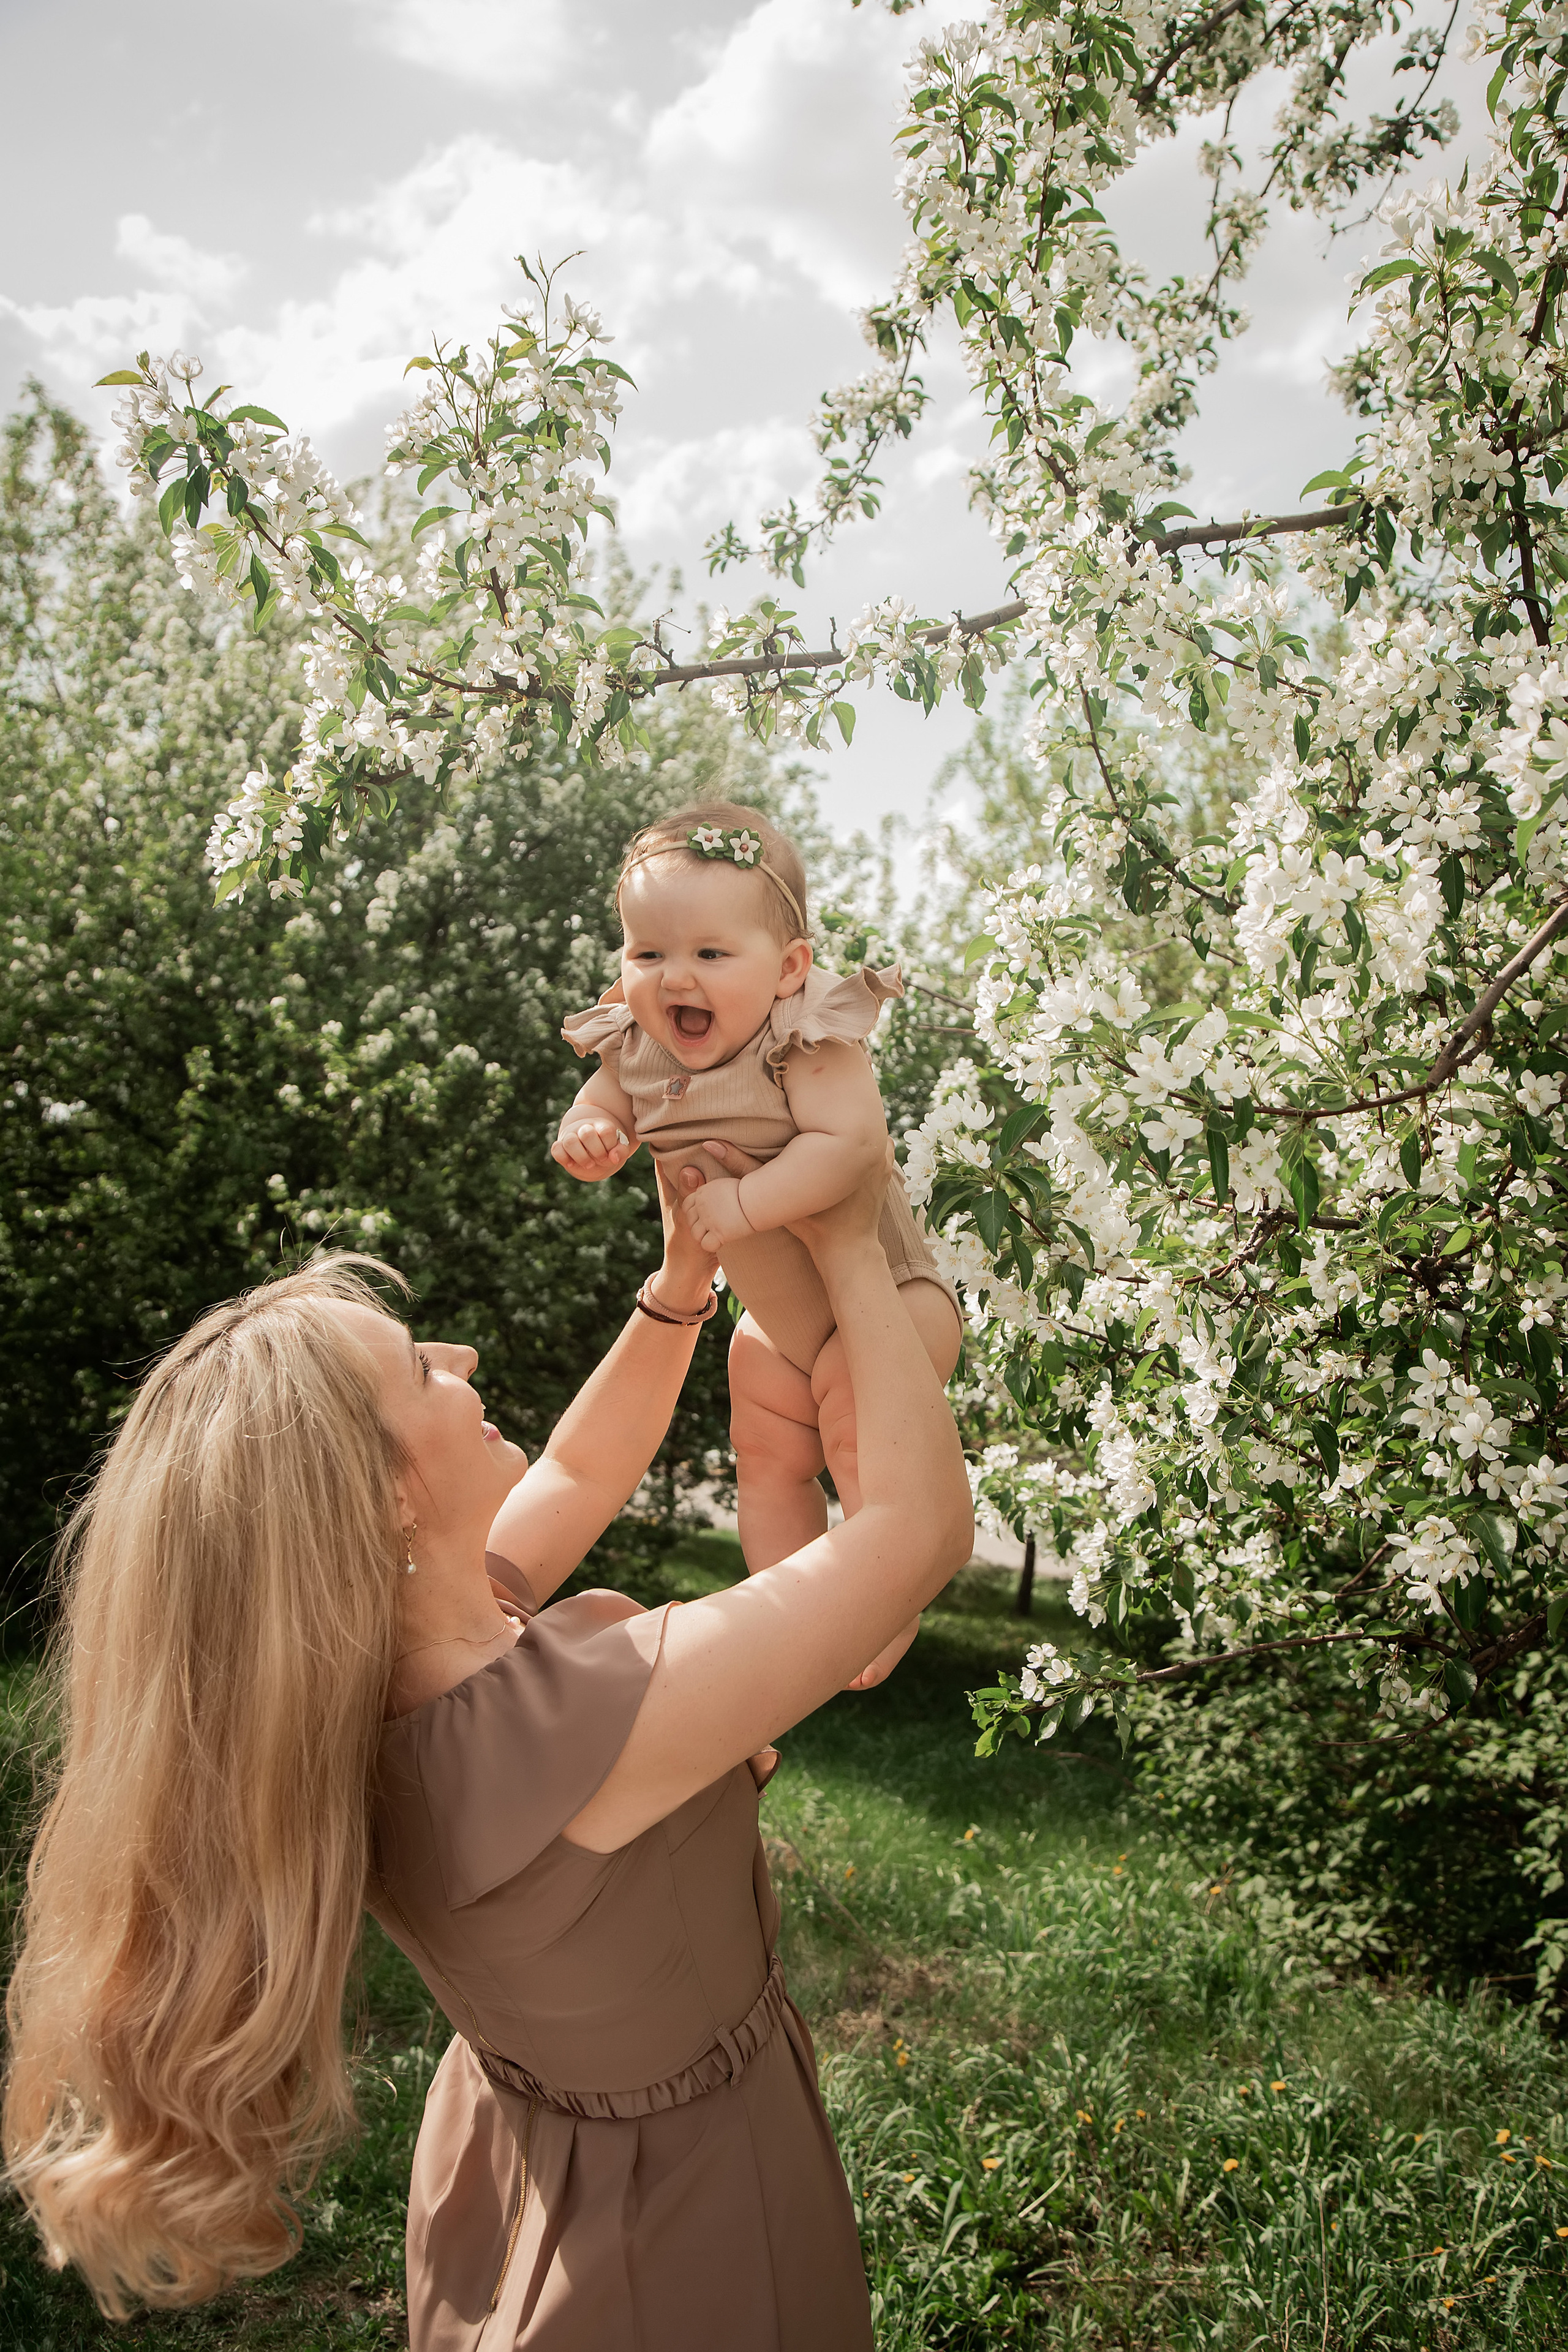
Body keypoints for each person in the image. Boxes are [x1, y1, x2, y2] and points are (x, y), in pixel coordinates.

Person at [2, 1142, 973, 2350]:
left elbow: (576, 1464)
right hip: (683, 2200)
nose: (458, 1358)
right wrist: (842, 1247)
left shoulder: (376, 1683)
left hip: (533, 2149)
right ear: (385, 1501)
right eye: (420, 1367)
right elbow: (915, 1533)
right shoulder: (582, 1714)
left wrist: (679, 1280)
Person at [554, 799, 963, 1687]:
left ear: (788, 969)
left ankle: (877, 1608)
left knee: (860, 1450)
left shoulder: (804, 1038)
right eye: (648, 954)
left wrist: (746, 1205)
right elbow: (605, 1107)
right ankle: (789, 1613)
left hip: (888, 1304)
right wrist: (589, 1134)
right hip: (776, 1326)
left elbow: (851, 1149)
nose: (673, 978)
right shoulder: (636, 1051)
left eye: (709, 953)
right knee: (768, 1459)